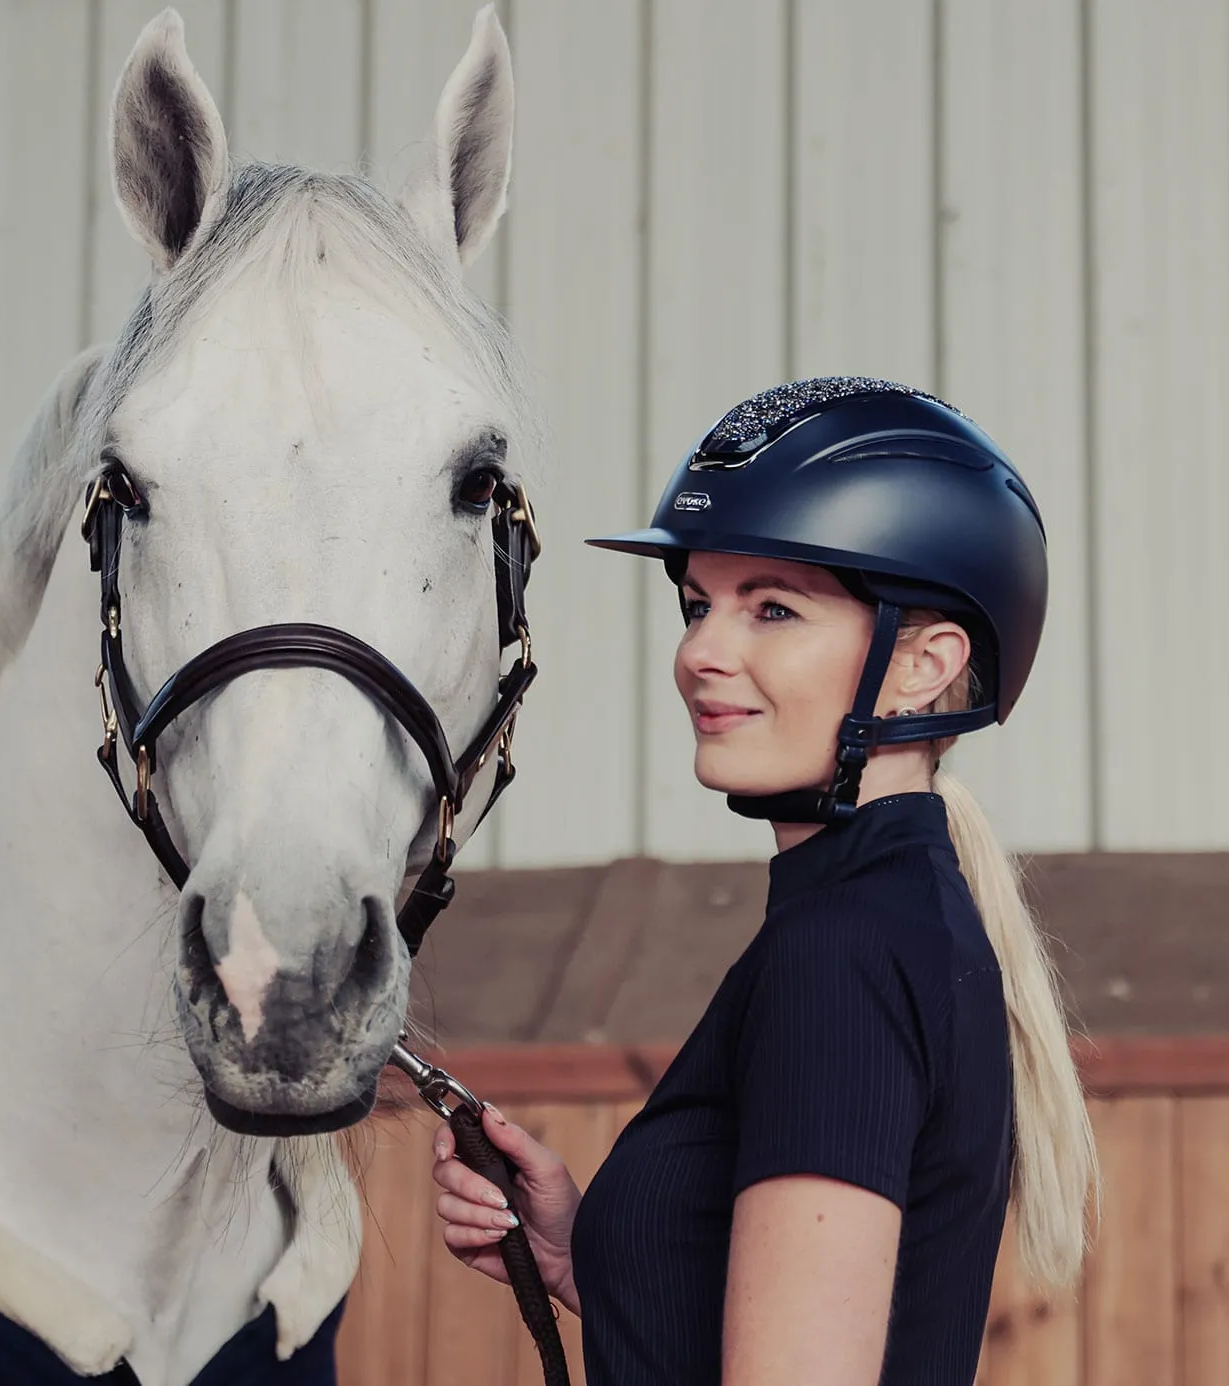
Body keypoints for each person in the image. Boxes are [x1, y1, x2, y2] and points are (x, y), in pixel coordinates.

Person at [429, 378, 1098, 1385]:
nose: (701, 651)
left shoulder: (842, 955)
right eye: (699, 605)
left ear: (924, 665)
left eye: (772, 609)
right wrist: (598, 1253)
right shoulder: (892, 918)